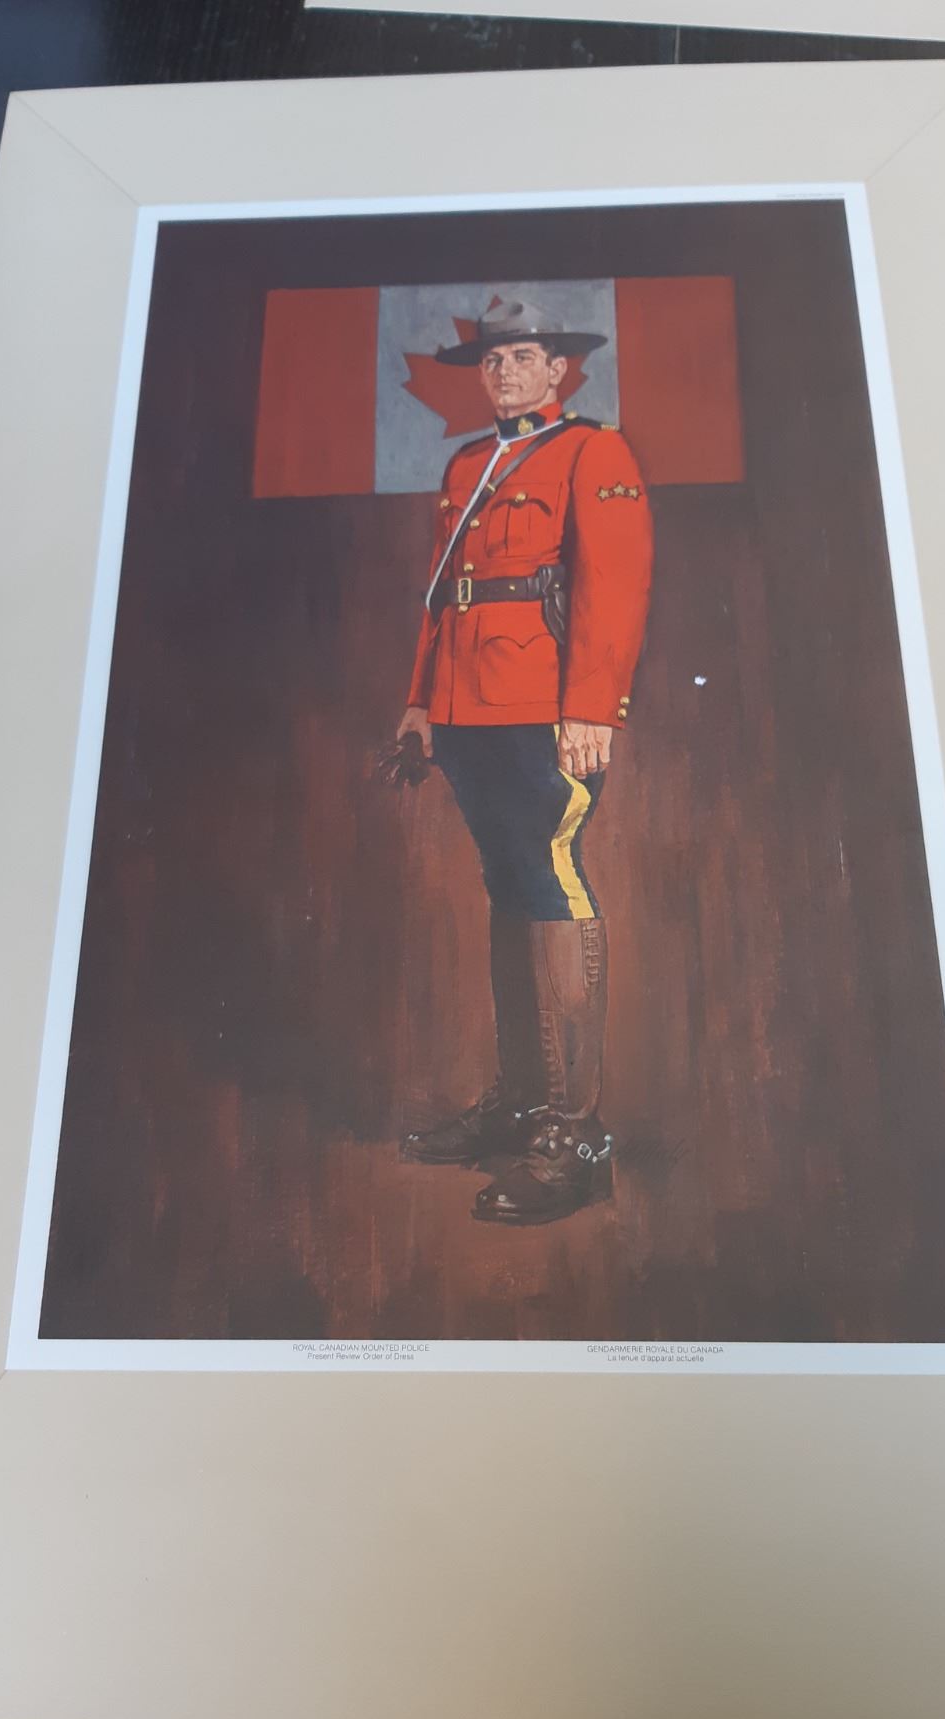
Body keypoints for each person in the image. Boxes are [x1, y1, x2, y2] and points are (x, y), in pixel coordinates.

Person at [397, 298, 653, 1225]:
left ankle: (576, 1136)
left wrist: (592, 706)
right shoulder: (467, 465)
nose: (505, 372)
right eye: (494, 359)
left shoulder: (593, 452)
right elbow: (443, 592)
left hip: (545, 704)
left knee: (550, 878)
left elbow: (613, 584)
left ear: (559, 371)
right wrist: (421, 701)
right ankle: (519, 1103)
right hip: (466, 705)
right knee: (507, 882)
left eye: (524, 357)